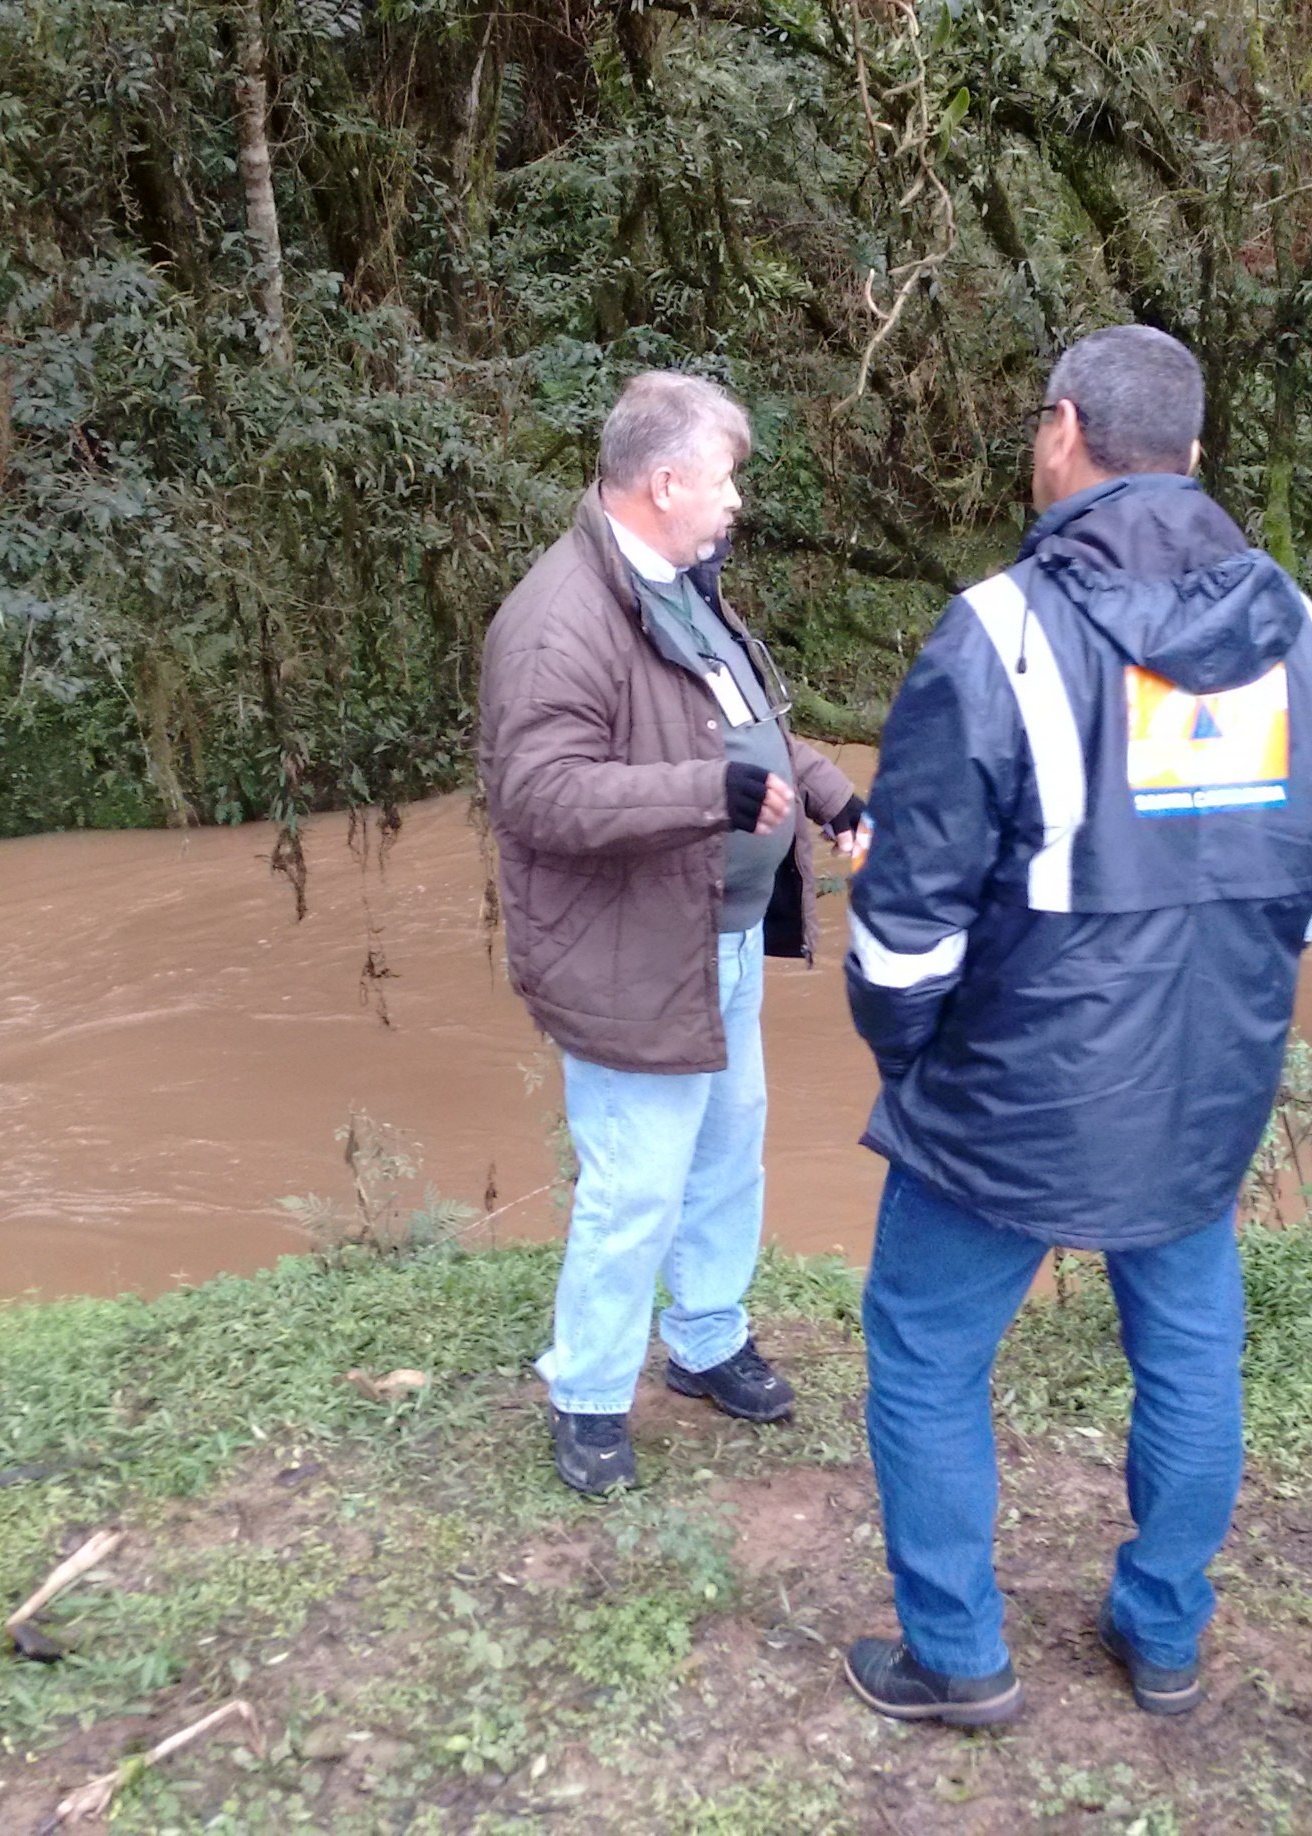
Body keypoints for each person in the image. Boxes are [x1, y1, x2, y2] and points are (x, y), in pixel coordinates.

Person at [834, 325, 1312, 1727]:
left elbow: (907, 922)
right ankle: (1165, 1632)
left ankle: (957, 1655)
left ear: (1064, 430)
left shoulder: (1001, 631)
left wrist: (907, 1051)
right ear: (1193, 453)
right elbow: (1311, 890)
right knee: (1189, 1348)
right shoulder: (1304, 636)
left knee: (926, 1348)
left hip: (1012, 1087)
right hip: (1206, 1077)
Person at [479, 370, 869, 1495]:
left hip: (721, 934)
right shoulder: (559, 622)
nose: (736, 500)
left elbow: (750, 728)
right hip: (629, 954)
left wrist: (832, 791)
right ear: (664, 482)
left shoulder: (681, 584)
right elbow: (541, 798)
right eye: (725, 477)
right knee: (635, 1182)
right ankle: (590, 1394)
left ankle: (705, 1340)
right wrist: (708, 795)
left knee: (726, 1152)